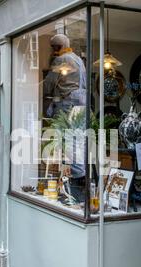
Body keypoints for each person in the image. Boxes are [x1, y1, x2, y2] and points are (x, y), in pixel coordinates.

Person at [43, 34, 87, 202]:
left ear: (56, 48)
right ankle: (79, 179)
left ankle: (71, 186)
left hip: (69, 102)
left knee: (68, 141)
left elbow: (48, 85)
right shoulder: (78, 60)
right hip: (82, 103)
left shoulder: (61, 60)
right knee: (78, 140)